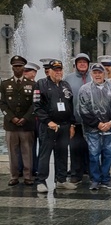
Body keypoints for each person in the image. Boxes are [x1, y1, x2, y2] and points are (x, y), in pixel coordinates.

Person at [78, 63, 111, 190]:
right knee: (94, 155)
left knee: (108, 154)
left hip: (110, 129)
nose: (97, 75)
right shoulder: (84, 90)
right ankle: (95, 179)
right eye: (95, 72)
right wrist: (98, 124)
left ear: (104, 73)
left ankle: (106, 178)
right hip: (93, 129)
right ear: (91, 74)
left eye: (99, 72)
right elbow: (83, 111)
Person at [34, 60, 78, 193]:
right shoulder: (40, 84)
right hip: (48, 126)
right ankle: (41, 181)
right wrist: (48, 121)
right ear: (50, 71)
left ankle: (61, 180)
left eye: (60, 69)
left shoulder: (65, 85)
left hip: (64, 126)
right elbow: (37, 107)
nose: (58, 72)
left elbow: (70, 106)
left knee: (63, 153)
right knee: (44, 154)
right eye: (55, 70)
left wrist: (72, 124)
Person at [1, 55, 36, 186]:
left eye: (20, 66)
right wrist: (12, 118)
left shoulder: (32, 84)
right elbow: (2, 104)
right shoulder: (5, 84)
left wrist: (25, 118)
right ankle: (14, 176)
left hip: (26, 124)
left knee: (27, 152)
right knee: (12, 152)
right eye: (15, 66)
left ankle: (28, 177)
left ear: (23, 67)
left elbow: (35, 104)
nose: (18, 68)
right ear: (12, 67)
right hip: (11, 125)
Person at [63, 52, 92, 184]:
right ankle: (76, 173)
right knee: (75, 148)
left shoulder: (94, 77)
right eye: (79, 62)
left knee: (92, 148)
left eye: (84, 62)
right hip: (74, 121)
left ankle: (92, 172)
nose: (82, 64)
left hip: (91, 121)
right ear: (75, 65)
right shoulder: (68, 79)